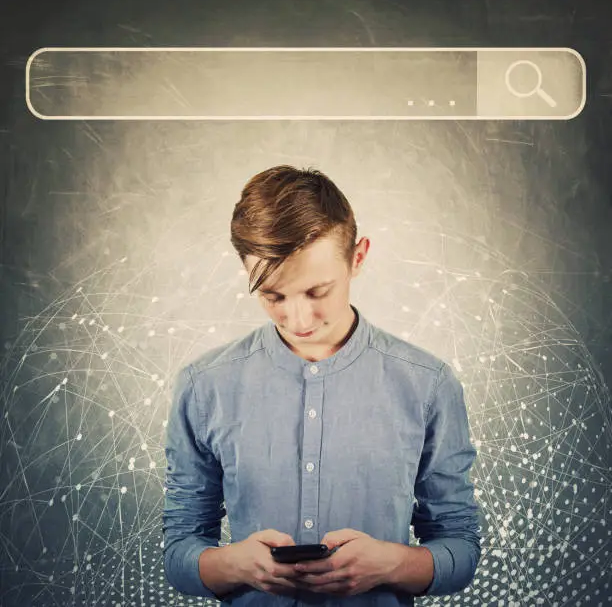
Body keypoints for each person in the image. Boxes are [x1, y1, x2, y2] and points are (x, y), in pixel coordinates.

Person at [162, 165, 482, 605]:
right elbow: (180, 547)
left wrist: (392, 563)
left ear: (359, 257)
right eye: (273, 295)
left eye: (317, 292)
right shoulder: (204, 386)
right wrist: (234, 564)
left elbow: (460, 545)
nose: (298, 319)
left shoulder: (429, 385)